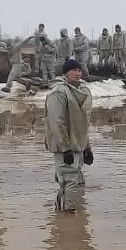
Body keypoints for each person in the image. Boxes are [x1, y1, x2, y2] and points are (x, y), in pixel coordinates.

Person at [45, 58, 94, 211]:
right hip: (64, 146)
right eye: (73, 70)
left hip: (78, 144)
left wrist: (87, 147)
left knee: (77, 181)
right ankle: (66, 223)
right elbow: (57, 122)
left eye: (79, 70)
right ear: (66, 73)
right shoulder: (59, 93)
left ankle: (72, 220)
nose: (77, 73)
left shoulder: (84, 91)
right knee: (69, 181)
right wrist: (65, 148)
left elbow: (84, 123)